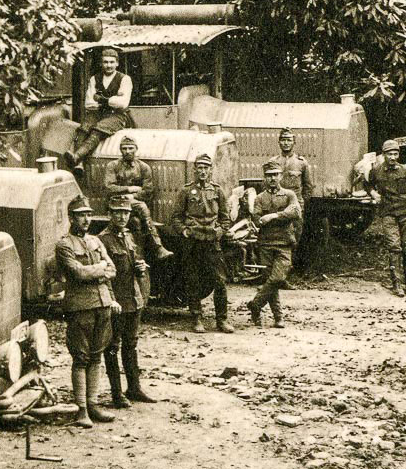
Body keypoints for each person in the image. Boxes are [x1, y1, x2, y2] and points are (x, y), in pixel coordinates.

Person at [56, 195, 121, 428]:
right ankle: (81, 409)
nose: (86, 219)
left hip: (102, 304)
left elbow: (112, 269)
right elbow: (77, 273)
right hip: (80, 307)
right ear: (71, 218)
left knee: (96, 355)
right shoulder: (64, 245)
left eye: (88, 214)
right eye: (81, 215)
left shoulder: (95, 240)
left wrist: (97, 270)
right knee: (81, 358)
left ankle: (93, 404)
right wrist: (100, 269)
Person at [98, 196, 156, 407]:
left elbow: (133, 264)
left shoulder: (129, 235)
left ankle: (134, 388)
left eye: (125, 213)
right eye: (117, 212)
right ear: (109, 214)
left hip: (133, 298)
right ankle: (116, 394)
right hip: (116, 301)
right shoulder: (102, 240)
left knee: (131, 345)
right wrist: (111, 300)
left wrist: (140, 268)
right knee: (112, 346)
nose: (122, 217)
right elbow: (104, 275)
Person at [172, 153, 234, 334]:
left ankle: (221, 319)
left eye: (206, 168)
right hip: (193, 243)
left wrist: (220, 231)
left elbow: (225, 218)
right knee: (193, 280)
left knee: (220, 281)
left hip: (212, 243)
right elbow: (176, 217)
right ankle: (196, 318)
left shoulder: (217, 191)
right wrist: (184, 231)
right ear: (195, 169)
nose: (203, 171)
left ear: (210, 170)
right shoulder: (185, 191)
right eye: (199, 167)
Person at [245, 160, 301, 327]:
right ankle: (278, 317)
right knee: (270, 281)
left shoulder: (289, 195)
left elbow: (295, 211)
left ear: (281, 176)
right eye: (269, 176)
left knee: (278, 278)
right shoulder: (260, 198)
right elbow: (257, 219)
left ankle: (256, 304)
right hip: (266, 245)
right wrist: (282, 217)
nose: (272, 178)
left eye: (275, 175)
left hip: (284, 243)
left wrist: (273, 216)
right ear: (265, 178)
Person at [65, 48, 134, 178]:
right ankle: (79, 164)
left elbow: (123, 103)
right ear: (101, 63)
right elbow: (89, 103)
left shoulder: (124, 79)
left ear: (117, 63)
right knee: (84, 129)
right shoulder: (94, 79)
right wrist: (111, 100)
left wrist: (102, 100)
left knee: (97, 130)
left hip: (117, 115)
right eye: (105, 62)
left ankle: (76, 157)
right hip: (97, 113)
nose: (108, 65)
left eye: (111, 62)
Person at [103, 135, 174, 261]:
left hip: (133, 204)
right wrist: (129, 189)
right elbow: (109, 188)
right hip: (116, 203)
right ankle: (158, 247)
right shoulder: (113, 165)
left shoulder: (143, 167)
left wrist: (132, 196)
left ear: (136, 149)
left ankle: (138, 258)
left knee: (136, 222)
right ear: (120, 150)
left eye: (131, 148)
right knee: (142, 206)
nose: (127, 151)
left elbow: (148, 191)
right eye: (124, 148)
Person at [364, 139, 406, 297]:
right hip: (388, 213)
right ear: (384, 154)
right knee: (394, 247)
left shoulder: (404, 170)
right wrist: (373, 193)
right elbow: (367, 184)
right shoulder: (376, 171)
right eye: (390, 154)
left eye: (395, 154)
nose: (393, 157)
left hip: (404, 213)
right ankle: (397, 283)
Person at [268, 127, 313, 240]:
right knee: (276, 236)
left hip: (295, 206)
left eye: (289, 140)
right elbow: (267, 184)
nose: (286, 143)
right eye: (283, 140)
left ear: (294, 142)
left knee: (294, 237)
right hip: (277, 205)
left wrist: (300, 203)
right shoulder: (273, 162)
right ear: (279, 142)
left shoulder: (301, 163)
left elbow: (308, 186)